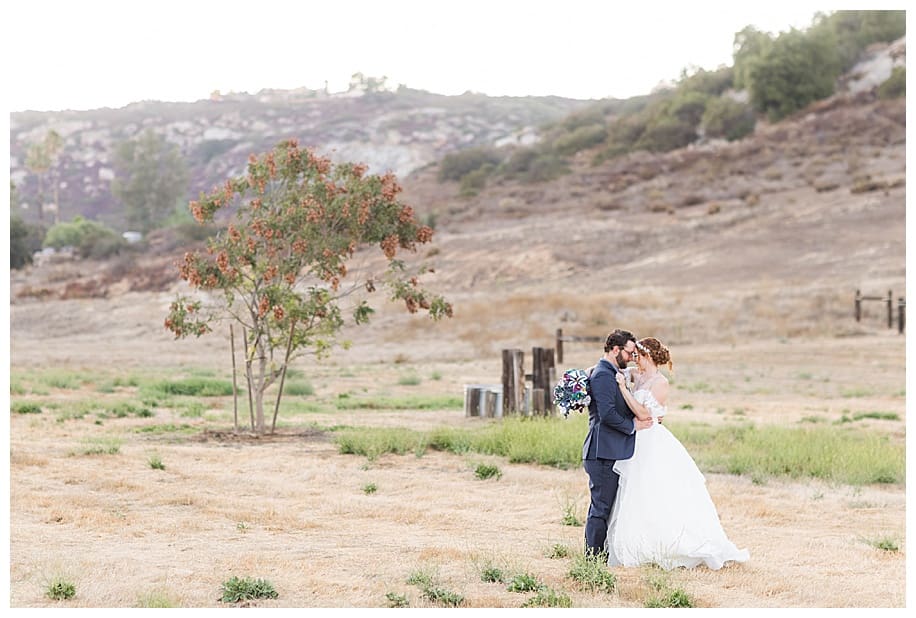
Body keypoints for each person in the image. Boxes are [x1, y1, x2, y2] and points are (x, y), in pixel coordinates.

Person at [607, 336, 750, 570]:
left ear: (648, 357)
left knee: (658, 490)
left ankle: (671, 544)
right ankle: (640, 542)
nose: (635, 360)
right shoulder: (637, 374)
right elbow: (613, 368)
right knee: (637, 492)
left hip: (652, 440)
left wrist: (624, 390)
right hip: (635, 440)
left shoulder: (660, 383)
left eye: (638, 356)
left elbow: (644, 414)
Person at [582, 329, 654, 559]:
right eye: (629, 352)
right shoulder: (603, 374)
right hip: (601, 451)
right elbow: (607, 414)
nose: (632, 357)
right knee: (600, 509)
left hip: (609, 450)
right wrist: (632, 425)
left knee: (606, 508)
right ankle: (593, 560)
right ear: (615, 350)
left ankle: (599, 556)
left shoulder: (610, 371)